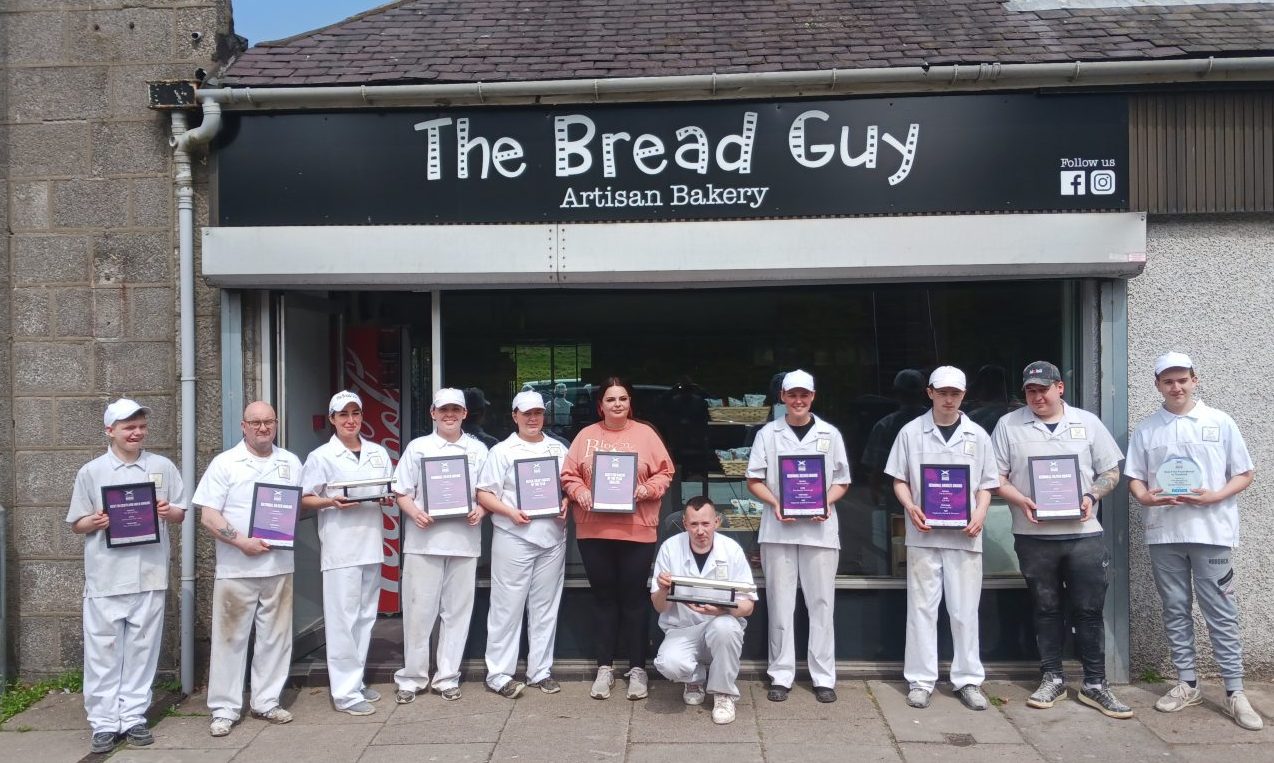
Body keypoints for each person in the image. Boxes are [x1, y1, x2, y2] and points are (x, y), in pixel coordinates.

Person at [1126, 352, 1262, 730]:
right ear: (1157, 385)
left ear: (1194, 380)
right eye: (1168, 381)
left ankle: (1235, 691)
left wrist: (1215, 496)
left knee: (1220, 611)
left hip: (1212, 532)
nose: (1176, 387)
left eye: (1182, 379)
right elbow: (1134, 477)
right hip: (1164, 533)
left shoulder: (1220, 422)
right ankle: (1188, 683)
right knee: (1175, 608)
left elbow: (1245, 473)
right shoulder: (1148, 428)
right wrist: (1145, 497)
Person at [992, 361, 1131, 718]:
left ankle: (1096, 684)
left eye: (1043, 389)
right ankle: (1052, 676)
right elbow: (996, 477)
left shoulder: (1087, 423)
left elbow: (1111, 471)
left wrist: (1092, 496)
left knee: (1088, 610)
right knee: (1046, 608)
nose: (1037, 396)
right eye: (1030, 391)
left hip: (1083, 535)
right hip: (1033, 534)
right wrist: (1020, 500)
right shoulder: (1009, 426)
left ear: (1060, 388)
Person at [67, 399, 185, 754]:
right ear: (110, 431)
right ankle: (103, 723)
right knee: (103, 652)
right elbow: (77, 523)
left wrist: (168, 511)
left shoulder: (161, 466)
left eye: (141, 427)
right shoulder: (92, 471)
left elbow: (180, 511)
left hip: (149, 573)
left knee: (142, 650)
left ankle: (133, 716)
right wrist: (96, 521)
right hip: (106, 576)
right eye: (128, 427)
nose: (136, 433)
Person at [884, 367, 998, 711]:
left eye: (956, 394)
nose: (949, 399)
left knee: (964, 611)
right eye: (943, 392)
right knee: (921, 609)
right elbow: (899, 479)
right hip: (924, 534)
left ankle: (968, 680)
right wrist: (910, 506)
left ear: (964, 396)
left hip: (965, 536)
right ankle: (921, 680)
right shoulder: (910, 432)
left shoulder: (977, 435)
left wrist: (980, 513)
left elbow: (987, 484)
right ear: (930, 392)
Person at [562, 376, 675, 700]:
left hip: (636, 529)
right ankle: (604, 668)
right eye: (611, 399)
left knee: (635, 600)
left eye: (622, 399)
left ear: (630, 403)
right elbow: (568, 475)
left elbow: (665, 472)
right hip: (594, 530)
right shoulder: (586, 437)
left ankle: (638, 669)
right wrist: (580, 491)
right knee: (604, 599)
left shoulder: (645, 435)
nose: (617, 405)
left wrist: (647, 489)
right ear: (601, 405)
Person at [194, 401, 303, 737]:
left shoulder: (291, 462)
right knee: (229, 639)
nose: (262, 428)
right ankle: (224, 709)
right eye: (255, 422)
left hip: (279, 565)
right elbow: (209, 516)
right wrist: (242, 542)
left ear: (276, 424)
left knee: (276, 639)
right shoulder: (225, 463)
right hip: (237, 568)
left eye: (268, 421)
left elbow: (294, 509)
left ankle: (266, 701)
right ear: (243, 426)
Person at [746, 369, 851, 703]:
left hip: (820, 529)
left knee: (821, 603)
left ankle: (823, 676)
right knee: (780, 602)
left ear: (813, 397)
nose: (798, 401)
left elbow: (842, 481)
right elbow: (754, 480)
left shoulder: (830, 434)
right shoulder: (768, 434)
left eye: (804, 395)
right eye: (792, 395)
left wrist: (825, 503)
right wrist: (776, 502)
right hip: (779, 529)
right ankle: (781, 674)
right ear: (783, 397)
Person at [299, 391, 394, 716]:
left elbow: (387, 488)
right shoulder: (321, 456)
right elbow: (305, 499)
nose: (350, 420)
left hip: (370, 544)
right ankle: (344, 694)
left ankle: (355, 681)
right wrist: (330, 501)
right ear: (333, 419)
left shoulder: (377, 452)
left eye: (355, 413)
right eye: (343, 415)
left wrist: (387, 498)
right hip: (340, 548)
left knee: (366, 618)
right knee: (342, 621)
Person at [392, 388, 490, 702]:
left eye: (455, 410)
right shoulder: (418, 447)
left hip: (463, 541)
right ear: (433, 413)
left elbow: (487, 491)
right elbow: (401, 491)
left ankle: (447, 677)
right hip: (424, 542)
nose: (449, 415)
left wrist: (482, 509)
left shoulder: (478, 450)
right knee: (419, 612)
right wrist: (415, 513)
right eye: (443, 409)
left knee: (457, 613)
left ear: (465, 414)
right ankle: (412, 678)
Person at [476, 391, 571, 696]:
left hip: (553, 537)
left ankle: (540, 671)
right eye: (526, 413)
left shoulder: (558, 449)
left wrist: (568, 501)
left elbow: (571, 485)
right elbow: (484, 494)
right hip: (514, 537)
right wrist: (510, 512)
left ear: (545, 415)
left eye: (538, 413)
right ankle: (499, 674)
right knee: (507, 607)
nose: (533, 419)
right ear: (514, 415)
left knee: (545, 607)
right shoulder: (502, 451)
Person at [651, 497, 757, 725]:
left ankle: (723, 694)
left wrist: (722, 610)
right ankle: (694, 678)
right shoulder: (670, 548)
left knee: (726, 627)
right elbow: (659, 606)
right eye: (694, 524)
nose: (700, 531)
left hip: (720, 626)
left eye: (706, 524)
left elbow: (749, 605)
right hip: (682, 629)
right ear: (684, 523)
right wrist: (662, 589)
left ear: (717, 522)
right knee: (668, 664)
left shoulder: (732, 549)